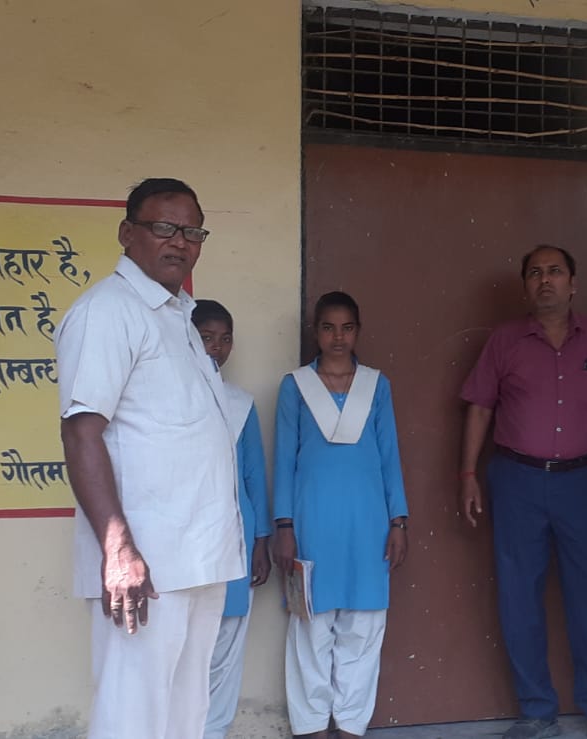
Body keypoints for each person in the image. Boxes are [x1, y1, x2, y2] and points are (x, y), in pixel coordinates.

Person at [54, 178, 245, 739]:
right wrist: (119, 551)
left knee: (186, 716)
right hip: (145, 563)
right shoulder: (108, 312)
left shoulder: (180, 317)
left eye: (192, 232)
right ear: (127, 233)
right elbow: (81, 434)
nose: (179, 241)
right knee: (132, 717)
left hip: (198, 558)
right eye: (164, 227)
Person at [458, 245, 587, 739]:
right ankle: (537, 711)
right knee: (519, 597)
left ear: (573, 283)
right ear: (526, 286)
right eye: (535, 273)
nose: (546, 280)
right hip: (517, 481)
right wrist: (468, 474)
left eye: (555, 271)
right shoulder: (504, 341)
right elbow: (480, 407)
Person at [271, 291, 410, 739]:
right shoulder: (295, 386)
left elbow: (389, 456)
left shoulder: (376, 385)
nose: (337, 337)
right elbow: (284, 460)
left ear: (357, 331)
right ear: (316, 331)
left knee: (363, 627)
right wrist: (284, 525)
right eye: (328, 327)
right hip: (311, 524)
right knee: (310, 627)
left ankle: (350, 727)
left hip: (368, 525)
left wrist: (398, 521)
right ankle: (312, 727)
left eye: (346, 328)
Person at [193, 299, 272, 739]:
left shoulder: (240, 404)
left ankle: (214, 731)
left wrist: (261, 540)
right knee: (185, 650)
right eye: (206, 337)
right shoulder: (168, 401)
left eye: (225, 339)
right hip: (188, 544)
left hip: (235, 539)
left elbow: (253, 476)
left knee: (226, 646)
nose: (216, 348)